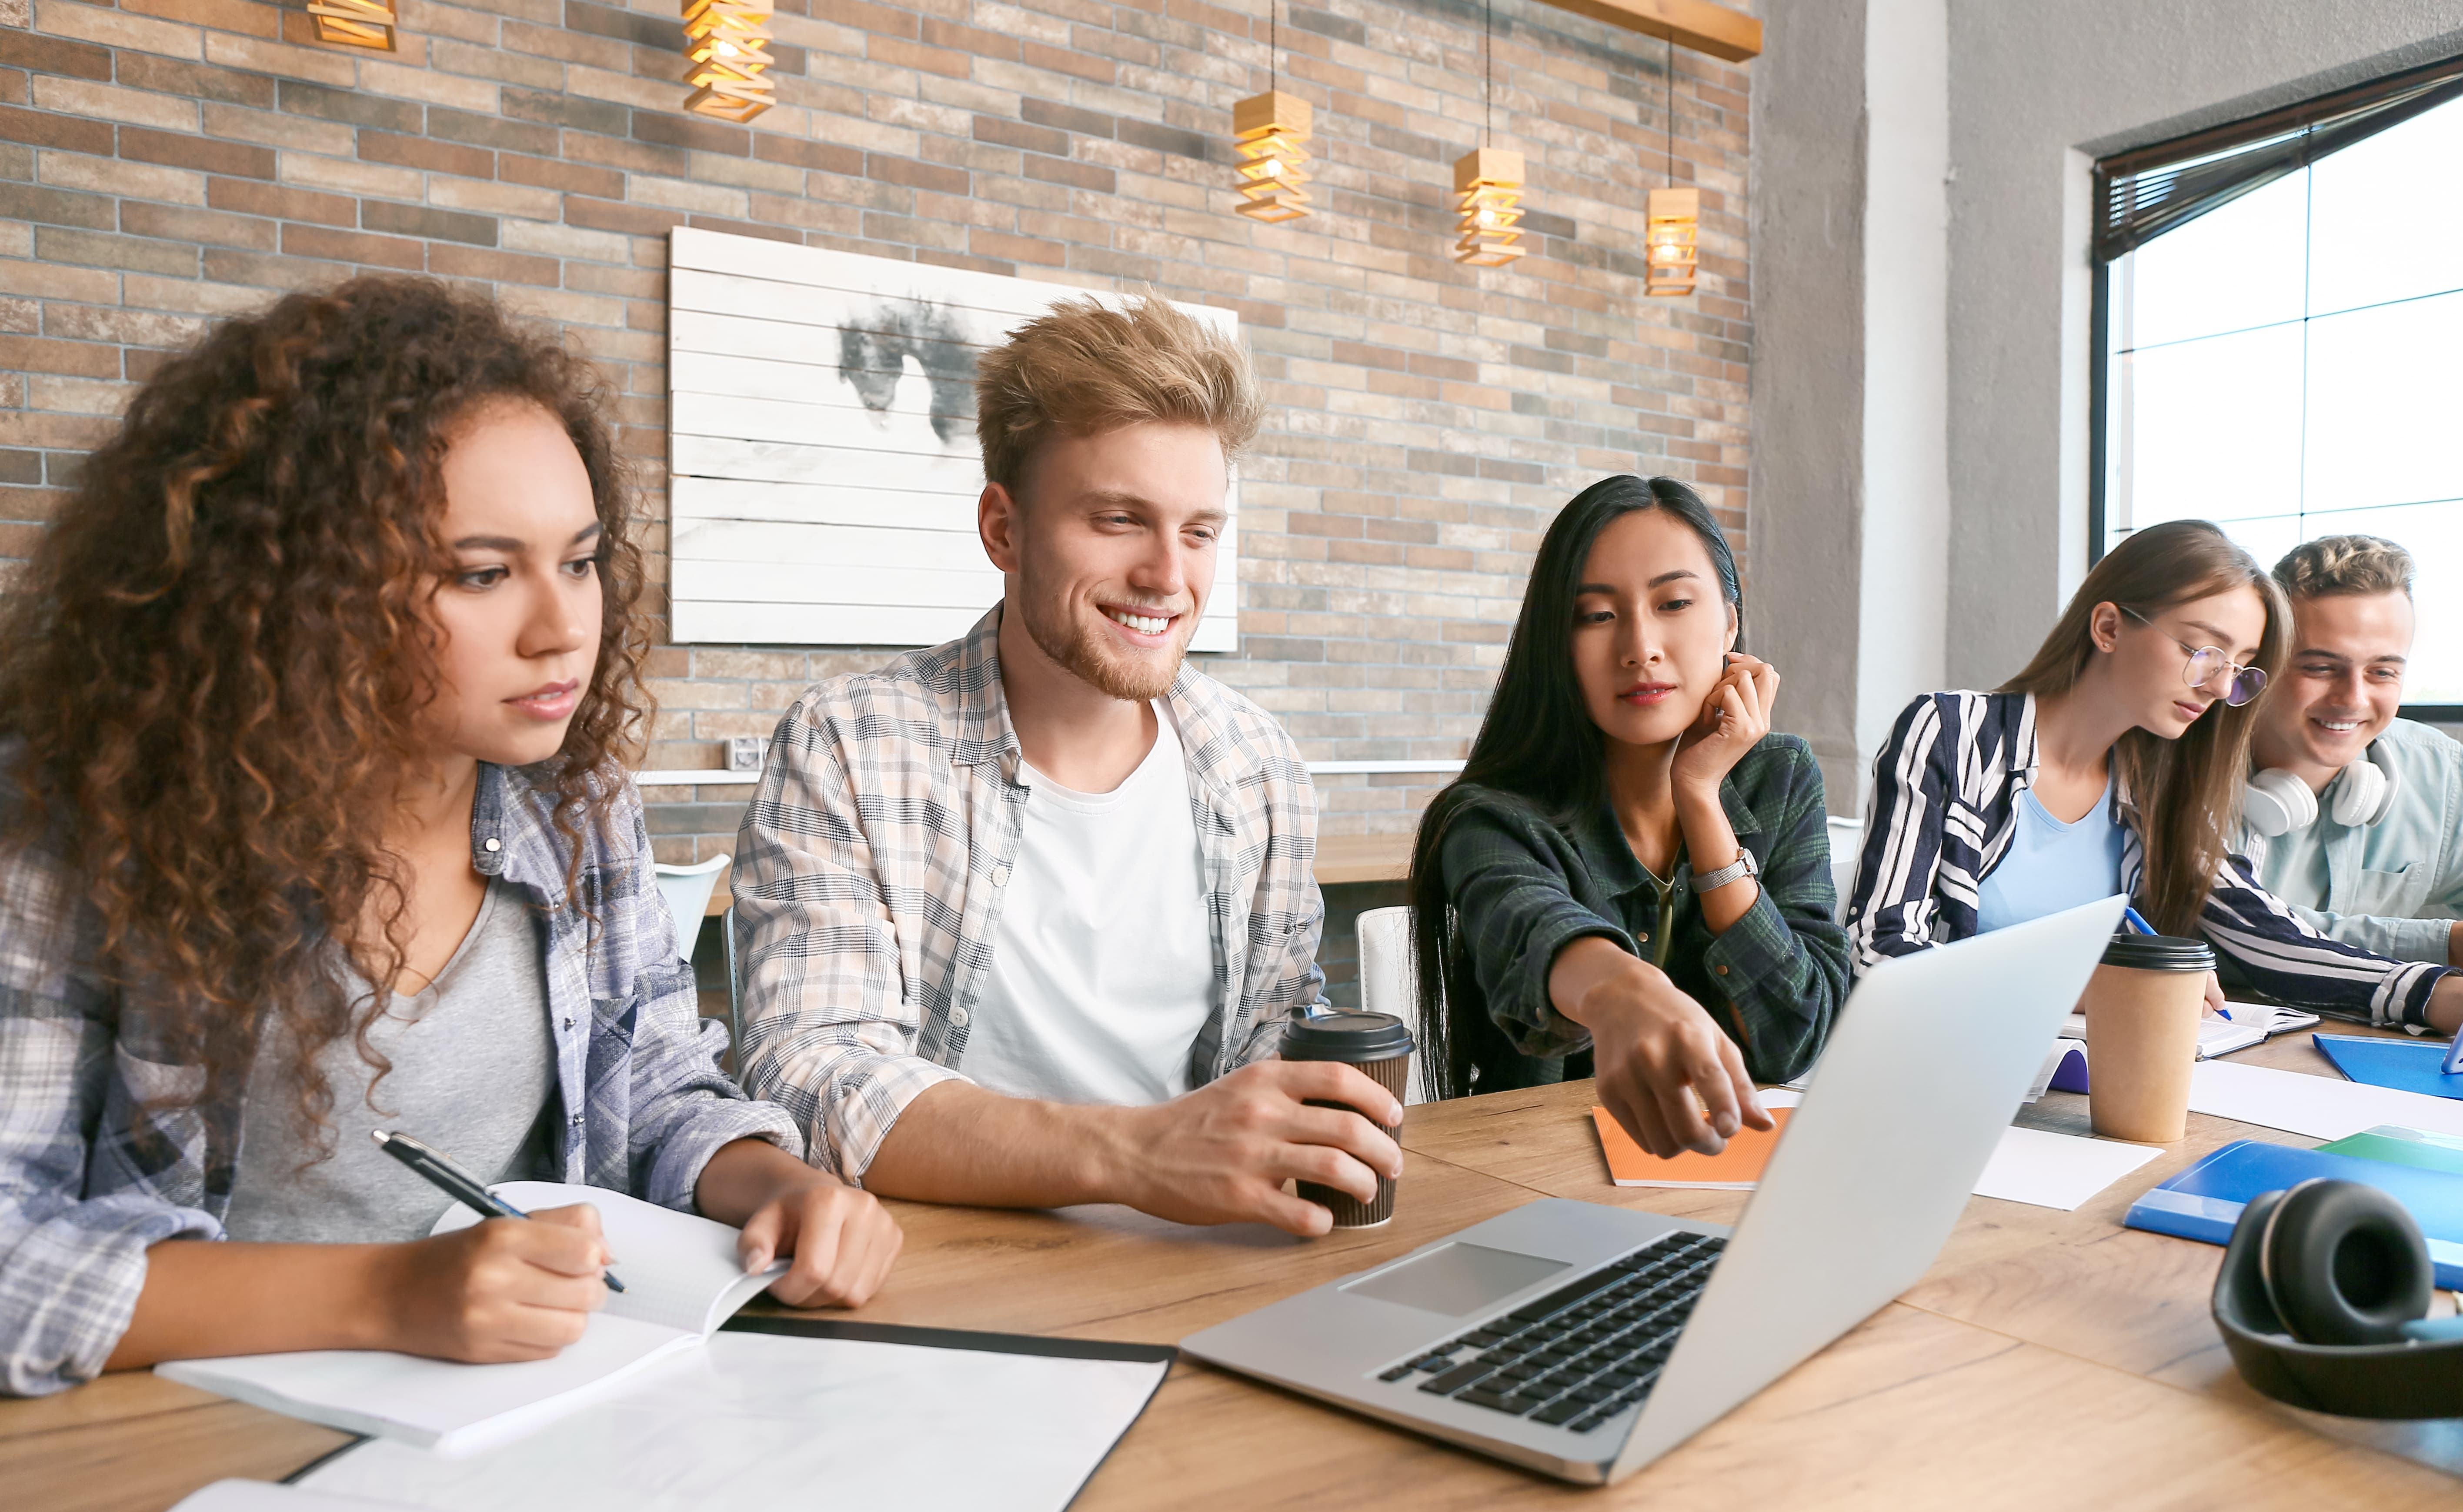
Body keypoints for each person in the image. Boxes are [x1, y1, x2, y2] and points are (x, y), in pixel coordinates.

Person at [0, 278, 901, 1399]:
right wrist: (391, 1295)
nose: (563, 627)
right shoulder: (81, 825)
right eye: (482, 573)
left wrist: (772, 1180)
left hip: (531, 1409)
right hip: (180, 1440)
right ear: (293, 592)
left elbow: (656, 1083)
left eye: (578, 561)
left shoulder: (572, 800)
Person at [733, 295, 1400, 1235]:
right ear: (1004, 530)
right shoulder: (848, 745)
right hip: (941, 1283)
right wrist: (1135, 1155)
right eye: (1120, 519)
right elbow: (814, 1077)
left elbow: (1270, 1042)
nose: (1169, 574)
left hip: (1209, 1265)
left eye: (1201, 531)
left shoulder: (1257, 766)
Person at [1846, 519, 2463, 1033]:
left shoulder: (2159, 783)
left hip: (2079, 1079)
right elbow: (1879, 952)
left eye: (2242, 668)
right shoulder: (1954, 732)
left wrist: (2434, 996)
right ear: (2109, 627)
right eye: (2205, 653)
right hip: (1939, 1070)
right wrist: (2082, 985)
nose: (2223, 687)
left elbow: (2267, 936)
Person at [1405, 475, 1849, 1160]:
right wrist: (1621, 993)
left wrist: (1700, 796)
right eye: (1596, 615)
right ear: (1558, 642)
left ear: (1730, 619)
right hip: (1542, 1180)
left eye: (1673, 602)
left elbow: (1796, 1036)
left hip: (1739, 1175)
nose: (1640, 645)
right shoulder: (1491, 819)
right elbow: (1537, 930)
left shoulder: (1778, 777)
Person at [2239, 535, 2463, 964]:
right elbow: (2232, 935)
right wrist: (2445, 942)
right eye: (2321, 668)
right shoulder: (2190, 767)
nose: (2353, 698)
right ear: (2262, 660)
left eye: (2382, 671)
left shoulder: (2440, 771)